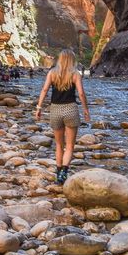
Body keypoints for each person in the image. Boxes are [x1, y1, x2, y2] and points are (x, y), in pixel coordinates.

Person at [35, 49, 91, 185]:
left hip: (55, 110)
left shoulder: (52, 73)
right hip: (71, 109)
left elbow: (44, 90)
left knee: (59, 145)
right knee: (70, 145)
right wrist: (85, 109)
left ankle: (58, 172)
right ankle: (64, 173)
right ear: (72, 60)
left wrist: (39, 107)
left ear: (60, 59)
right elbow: (81, 93)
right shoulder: (75, 74)